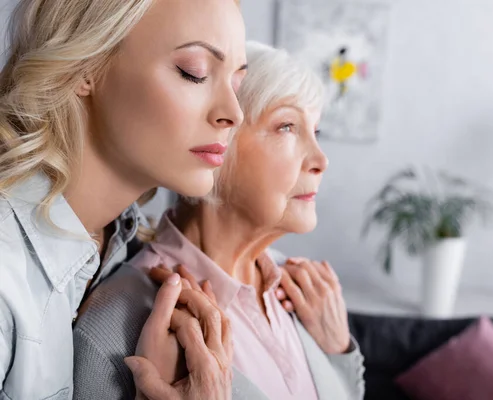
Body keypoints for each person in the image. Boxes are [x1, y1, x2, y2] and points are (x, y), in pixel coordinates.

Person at [73, 41, 366, 400]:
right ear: (215, 140)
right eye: (287, 126)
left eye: (315, 132)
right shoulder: (117, 325)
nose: (321, 159)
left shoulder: (303, 293)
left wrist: (338, 354)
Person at [0, 0, 246, 398]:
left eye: (237, 83)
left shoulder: (125, 245)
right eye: (194, 73)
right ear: (85, 67)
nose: (233, 112)